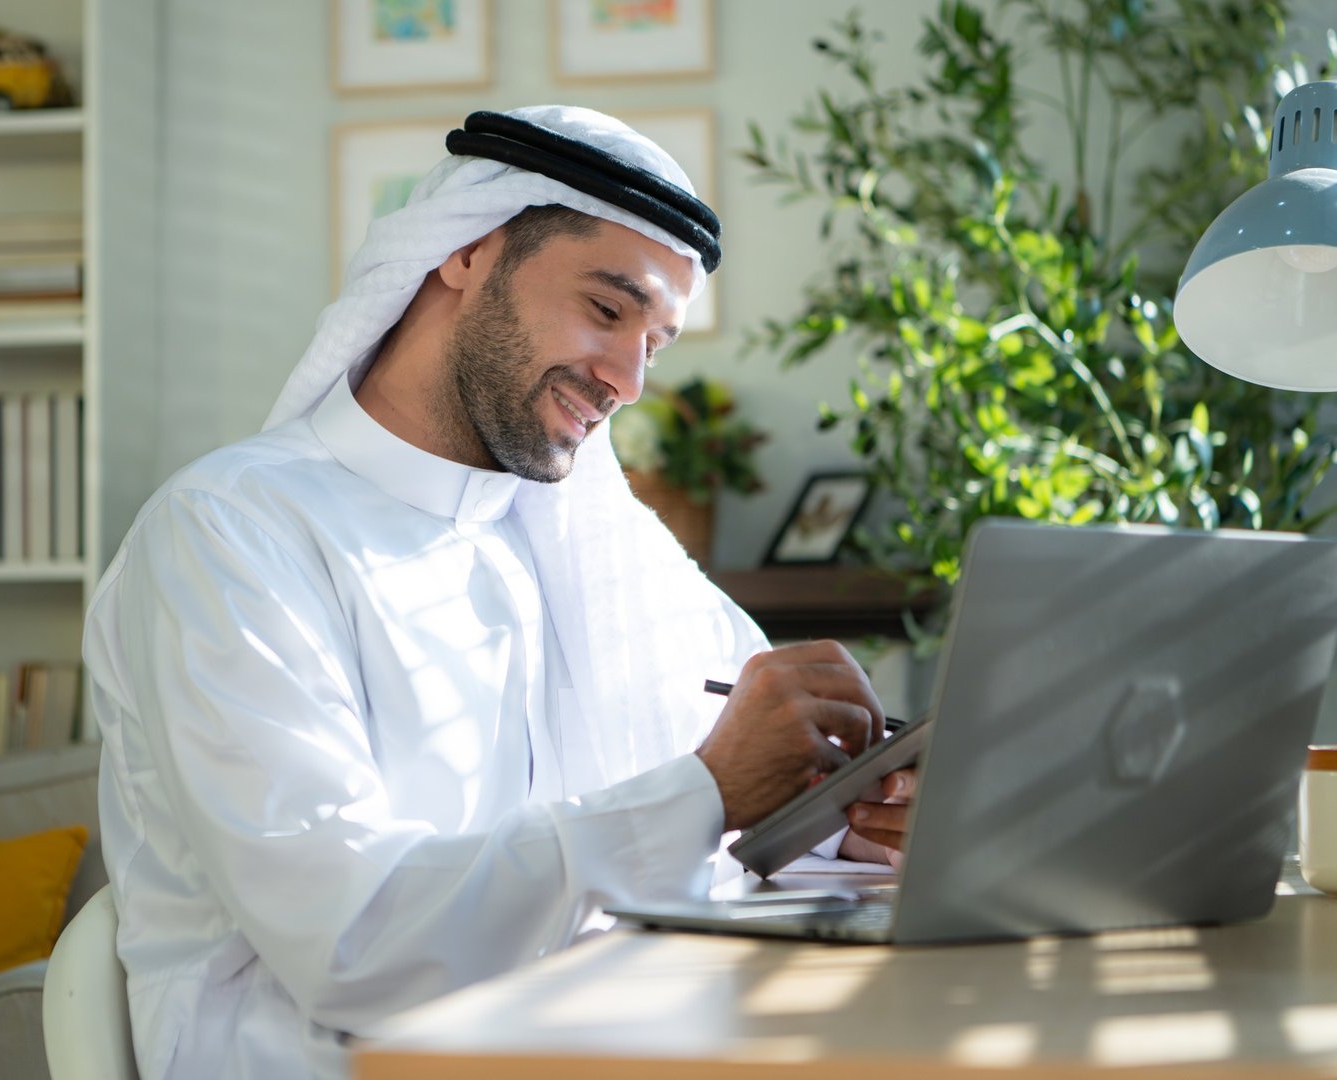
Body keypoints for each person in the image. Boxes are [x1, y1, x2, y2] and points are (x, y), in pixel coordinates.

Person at [82, 105, 915, 1080]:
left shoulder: (595, 551)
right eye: (606, 310)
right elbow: (354, 943)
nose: (628, 381)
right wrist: (706, 789)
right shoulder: (231, 533)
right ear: (467, 251)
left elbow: (747, 815)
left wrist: (859, 824)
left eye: (655, 344)